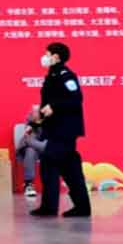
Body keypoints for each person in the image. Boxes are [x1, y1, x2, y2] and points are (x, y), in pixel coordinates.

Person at [30, 41, 91, 218]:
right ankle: (81, 207)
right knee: (69, 168)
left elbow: (75, 99)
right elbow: (46, 106)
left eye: (47, 54)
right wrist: (35, 124)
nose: (44, 57)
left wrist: (54, 106)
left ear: (56, 57)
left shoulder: (66, 76)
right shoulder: (52, 76)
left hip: (65, 131)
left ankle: (50, 208)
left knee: (50, 164)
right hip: (55, 129)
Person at [14, 103, 46, 201]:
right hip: (31, 150)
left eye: (37, 112)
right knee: (30, 150)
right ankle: (29, 184)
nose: (35, 114)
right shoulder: (30, 124)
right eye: (33, 113)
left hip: (46, 150)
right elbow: (29, 140)